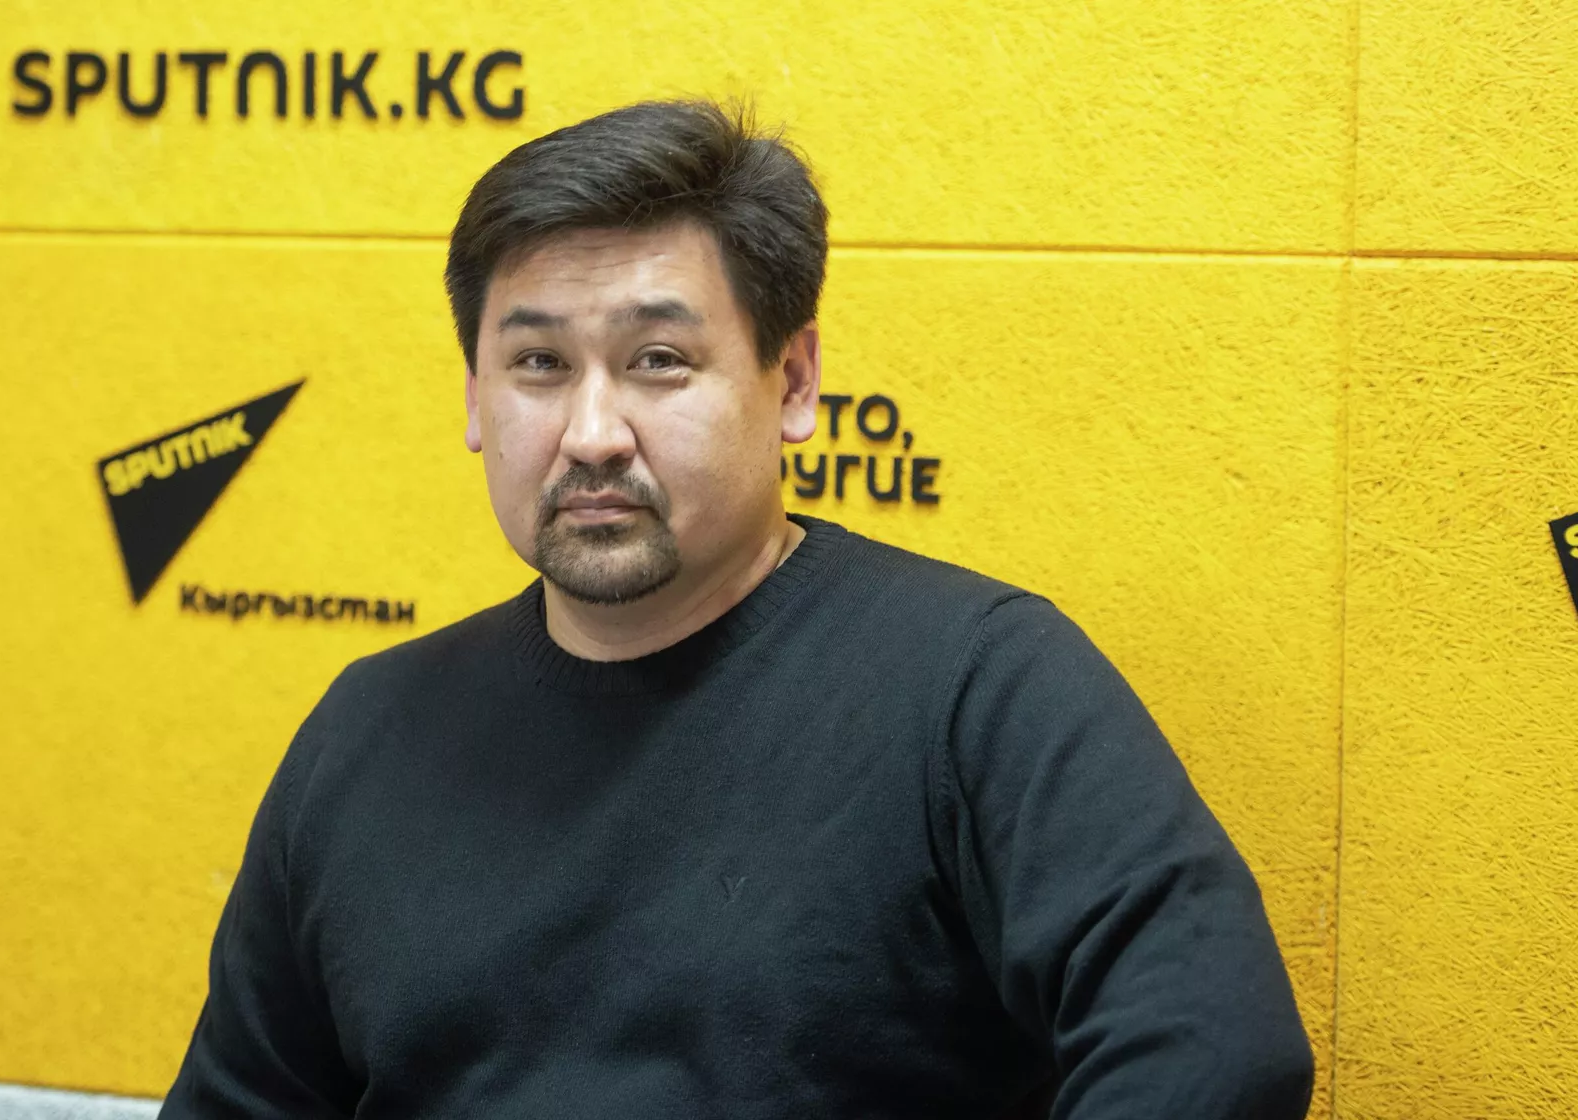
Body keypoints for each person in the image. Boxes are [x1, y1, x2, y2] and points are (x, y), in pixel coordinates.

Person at [159, 99, 1315, 1119]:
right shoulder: (369, 730)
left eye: (659, 359)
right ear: (474, 398)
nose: (592, 433)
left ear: (793, 381)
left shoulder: (975, 686)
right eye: (540, 366)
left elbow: (1217, 1042)